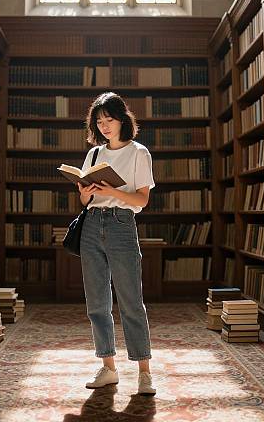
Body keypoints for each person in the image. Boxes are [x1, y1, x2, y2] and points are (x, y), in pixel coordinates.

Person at [77, 92, 156, 396]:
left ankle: (144, 371)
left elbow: (141, 200)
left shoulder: (139, 153)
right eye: (99, 121)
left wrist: (113, 190)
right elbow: (85, 200)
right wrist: (86, 191)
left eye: (109, 119)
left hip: (122, 224)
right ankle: (108, 367)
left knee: (131, 301)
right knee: (97, 302)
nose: (105, 126)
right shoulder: (94, 154)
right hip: (92, 223)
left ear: (123, 119)